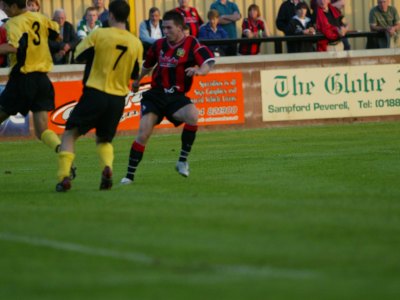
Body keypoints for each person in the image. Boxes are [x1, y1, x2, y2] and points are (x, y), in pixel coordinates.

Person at [55, 0, 143, 192]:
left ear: (110, 15)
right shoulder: (135, 43)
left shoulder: (99, 34)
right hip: (118, 99)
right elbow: (135, 73)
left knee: (70, 134)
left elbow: (79, 55)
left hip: (96, 92)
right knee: (104, 139)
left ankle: (64, 177)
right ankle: (107, 168)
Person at [120, 10, 215, 185]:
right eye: (164, 27)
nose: (166, 31)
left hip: (176, 96)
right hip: (155, 95)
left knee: (193, 115)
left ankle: (182, 160)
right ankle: (129, 176)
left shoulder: (191, 43)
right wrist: (138, 80)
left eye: (169, 27)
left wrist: (199, 71)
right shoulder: (158, 45)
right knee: (143, 133)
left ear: (180, 27)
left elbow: (208, 63)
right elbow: (148, 65)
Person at [0, 0, 66, 170]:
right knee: (42, 130)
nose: (3, 9)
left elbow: (13, 48)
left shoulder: (13, 23)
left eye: (5, 6)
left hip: (22, 79)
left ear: (14, 6)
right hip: (42, 80)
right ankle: (63, 152)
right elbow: (57, 35)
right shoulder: (40, 18)